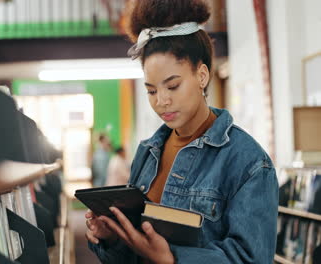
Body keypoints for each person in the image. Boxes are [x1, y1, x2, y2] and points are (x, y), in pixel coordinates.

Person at [84, 0, 279, 263]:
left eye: (172, 86)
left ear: (201, 76)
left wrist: (173, 258)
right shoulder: (148, 152)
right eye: (151, 90)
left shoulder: (250, 163)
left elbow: (251, 259)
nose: (161, 101)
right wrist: (114, 237)